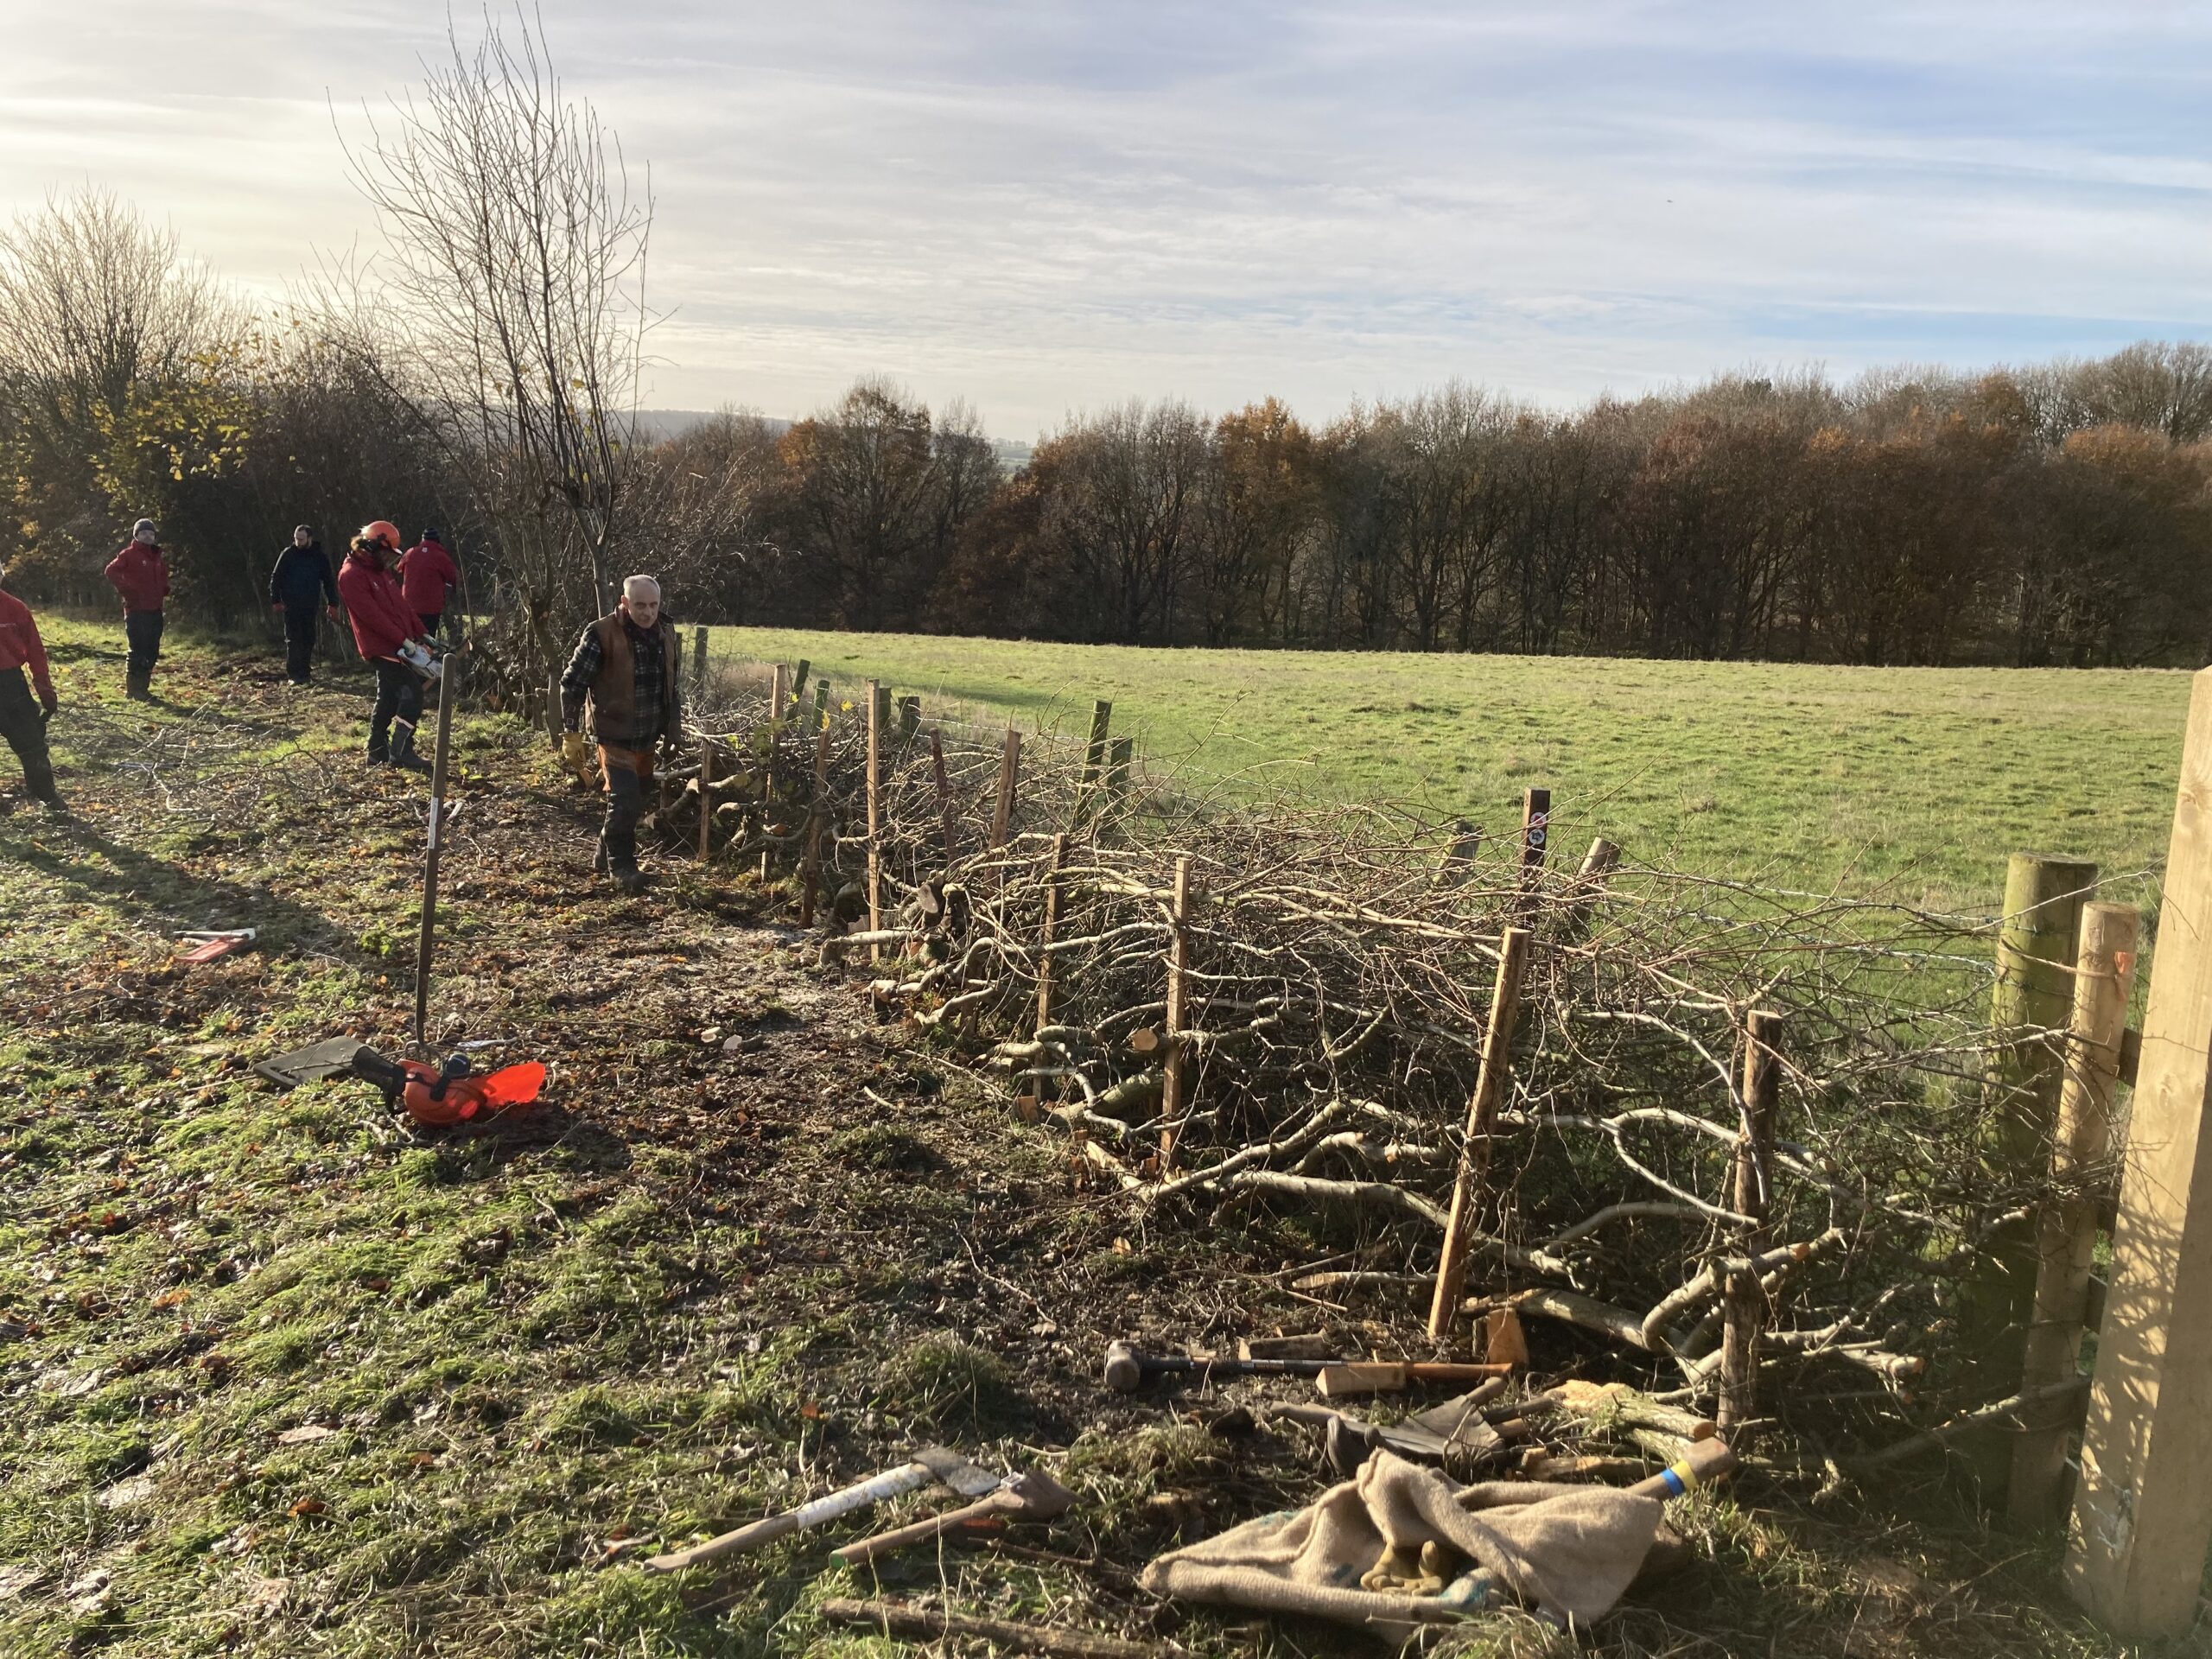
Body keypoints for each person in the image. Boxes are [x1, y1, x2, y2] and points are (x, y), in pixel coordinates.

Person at [559, 575, 683, 893]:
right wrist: (570, 733)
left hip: (647, 735)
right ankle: (622, 868)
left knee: (635, 799)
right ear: (624, 603)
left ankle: (604, 851)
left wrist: (673, 730)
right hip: (612, 734)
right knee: (625, 799)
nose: (647, 612)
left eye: (653, 605)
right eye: (640, 605)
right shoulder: (601, 633)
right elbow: (572, 685)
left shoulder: (666, 632)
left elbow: (672, 685)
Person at [335, 520, 435, 772]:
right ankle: (401, 750)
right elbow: (372, 616)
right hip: (380, 646)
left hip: (399, 644)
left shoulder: (379, 572)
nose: (388, 560)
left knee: (389, 697)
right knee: (412, 693)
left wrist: (421, 631)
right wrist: (402, 640)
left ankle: (376, 749)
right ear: (370, 546)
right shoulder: (351, 575)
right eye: (385, 553)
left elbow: (401, 607)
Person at [0, 563, 60, 808]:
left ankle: (46, 795)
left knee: (32, 743)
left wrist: (45, 689)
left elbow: (36, 651)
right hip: (11, 681)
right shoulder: (16, 606)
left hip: (10, 682)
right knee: (31, 742)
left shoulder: (15, 608)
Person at [104, 518, 170, 702]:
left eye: (151, 533)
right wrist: (128, 591)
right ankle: (133, 691)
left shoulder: (157, 556)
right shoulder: (129, 555)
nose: (148, 536)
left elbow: (163, 576)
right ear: (136, 535)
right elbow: (111, 571)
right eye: (144, 533)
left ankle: (144, 689)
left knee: (152, 650)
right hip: (136, 610)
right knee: (138, 649)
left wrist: (164, 588)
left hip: (155, 609)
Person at [268, 525, 340, 685]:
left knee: (308, 638)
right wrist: (276, 600)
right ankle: (294, 675)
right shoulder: (287, 554)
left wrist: (333, 603)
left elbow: (328, 581)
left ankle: (305, 672)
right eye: (296, 538)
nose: (298, 542)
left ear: (309, 538)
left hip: (310, 604)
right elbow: (276, 577)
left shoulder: (319, 557)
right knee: (293, 639)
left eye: (301, 539)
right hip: (291, 605)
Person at [397, 528, 460, 639]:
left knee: (411, 638)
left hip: (409, 604)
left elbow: (399, 569)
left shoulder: (410, 553)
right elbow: (453, 577)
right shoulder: (441, 557)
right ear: (437, 541)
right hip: (431, 607)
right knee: (428, 640)